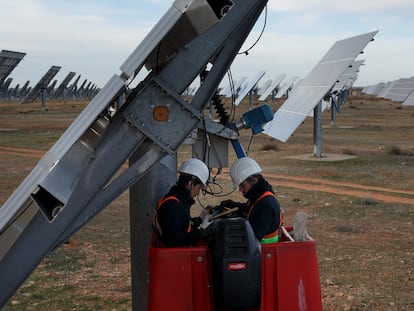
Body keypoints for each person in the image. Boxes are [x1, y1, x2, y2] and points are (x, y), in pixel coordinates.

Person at [220, 157, 282, 244]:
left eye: (243, 185)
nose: (240, 189)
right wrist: (234, 205)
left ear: (254, 181)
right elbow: (252, 210)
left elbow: (252, 237)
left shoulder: (266, 205)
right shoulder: (260, 196)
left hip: (261, 252)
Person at [155, 158, 210, 247]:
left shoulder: (178, 200)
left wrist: (199, 220)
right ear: (190, 184)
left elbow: (183, 224)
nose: (198, 192)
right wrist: (201, 232)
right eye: (199, 187)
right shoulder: (173, 206)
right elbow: (174, 239)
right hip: (175, 257)